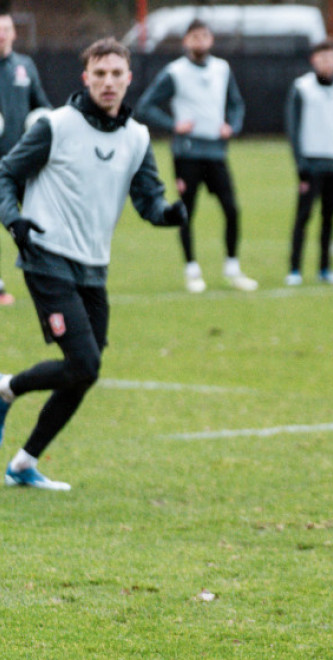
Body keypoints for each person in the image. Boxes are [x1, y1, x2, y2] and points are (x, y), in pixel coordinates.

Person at [0, 38, 187, 491]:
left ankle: (24, 462)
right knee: (82, 361)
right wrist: (14, 219)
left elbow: (149, 200)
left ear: (129, 79)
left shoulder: (137, 137)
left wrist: (170, 214)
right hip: (46, 258)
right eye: (99, 74)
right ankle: (7, 386)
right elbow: (6, 172)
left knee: (86, 370)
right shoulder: (56, 125)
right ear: (86, 78)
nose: (108, 82)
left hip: (93, 267)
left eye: (116, 74)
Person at [135, 19, 256, 293]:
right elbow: (145, 105)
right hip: (187, 153)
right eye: (194, 36)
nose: (200, 41)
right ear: (186, 41)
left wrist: (232, 125)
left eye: (204, 35)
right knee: (186, 211)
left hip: (216, 151)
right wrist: (173, 126)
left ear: (211, 40)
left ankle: (232, 267)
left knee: (231, 209)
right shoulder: (175, 72)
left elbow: (236, 103)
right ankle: (192, 270)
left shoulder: (222, 69)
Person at [285, 39, 333, 286]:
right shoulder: (302, 88)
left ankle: (325, 268)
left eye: (332, 57)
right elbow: (293, 128)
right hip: (311, 162)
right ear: (313, 60)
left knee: (329, 218)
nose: (327, 62)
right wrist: (300, 163)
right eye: (322, 57)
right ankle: (294, 269)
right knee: (303, 217)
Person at [0, 10, 51, 305]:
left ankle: (47, 279)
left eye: (6, 28)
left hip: (23, 164)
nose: (2, 34)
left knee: (36, 221)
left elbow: (41, 107)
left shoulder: (25, 66)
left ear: (14, 33)